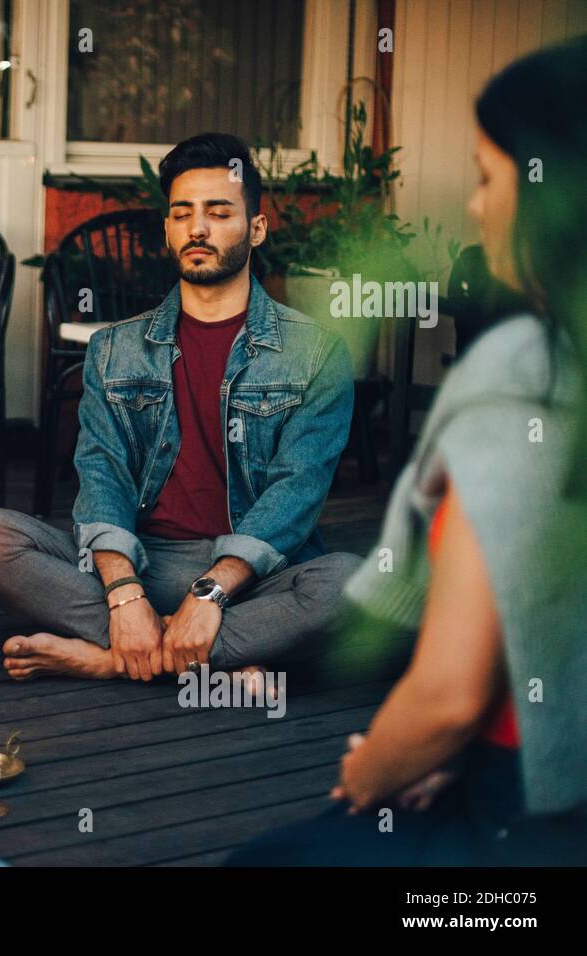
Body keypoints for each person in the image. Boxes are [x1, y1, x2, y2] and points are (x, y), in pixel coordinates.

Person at [229, 36, 587, 866]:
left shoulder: (526, 371)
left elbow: (449, 698)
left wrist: (372, 777)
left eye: (488, 177)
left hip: (529, 820)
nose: (473, 205)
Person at [0, 133, 358, 682]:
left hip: (250, 577)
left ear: (256, 228)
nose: (197, 228)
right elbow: (101, 474)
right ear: (168, 230)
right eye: (182, 214)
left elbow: (296, 494)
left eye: (218, 213)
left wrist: (212, 591)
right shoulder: (113, 348)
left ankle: (114, 659)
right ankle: (198, 653)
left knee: (351, 584)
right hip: (144, 562)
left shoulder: (316, 352)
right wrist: (125, 591)